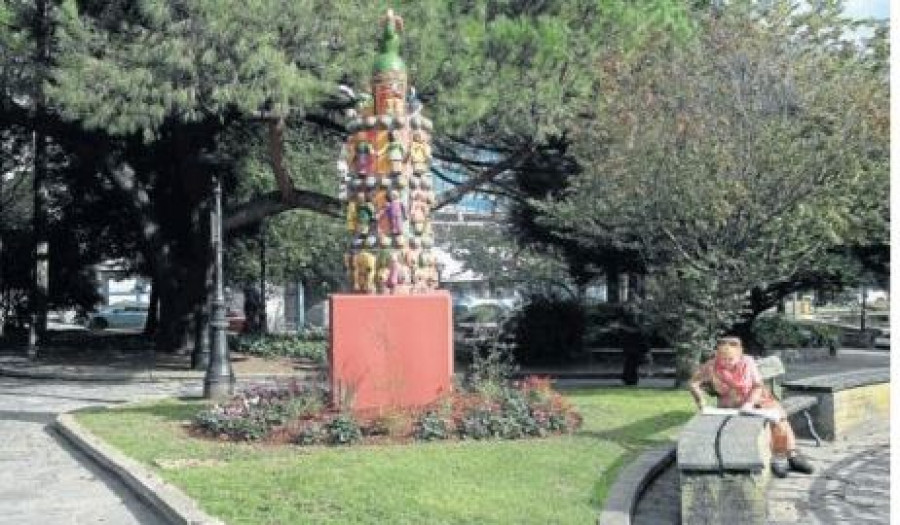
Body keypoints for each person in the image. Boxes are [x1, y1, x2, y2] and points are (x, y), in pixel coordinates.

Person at [688, 336, 814, 478]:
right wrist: (701, 402)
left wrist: (749, 404)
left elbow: (757, 386)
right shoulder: (711, 365)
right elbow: (693, 383)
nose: (727, 363)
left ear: (739, 355)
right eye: (723, 359)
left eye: (731, 359)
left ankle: (789, 455)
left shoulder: (748, 362)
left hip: (757, 399)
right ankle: (776, 458)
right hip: (730, 406)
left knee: (777, 416)